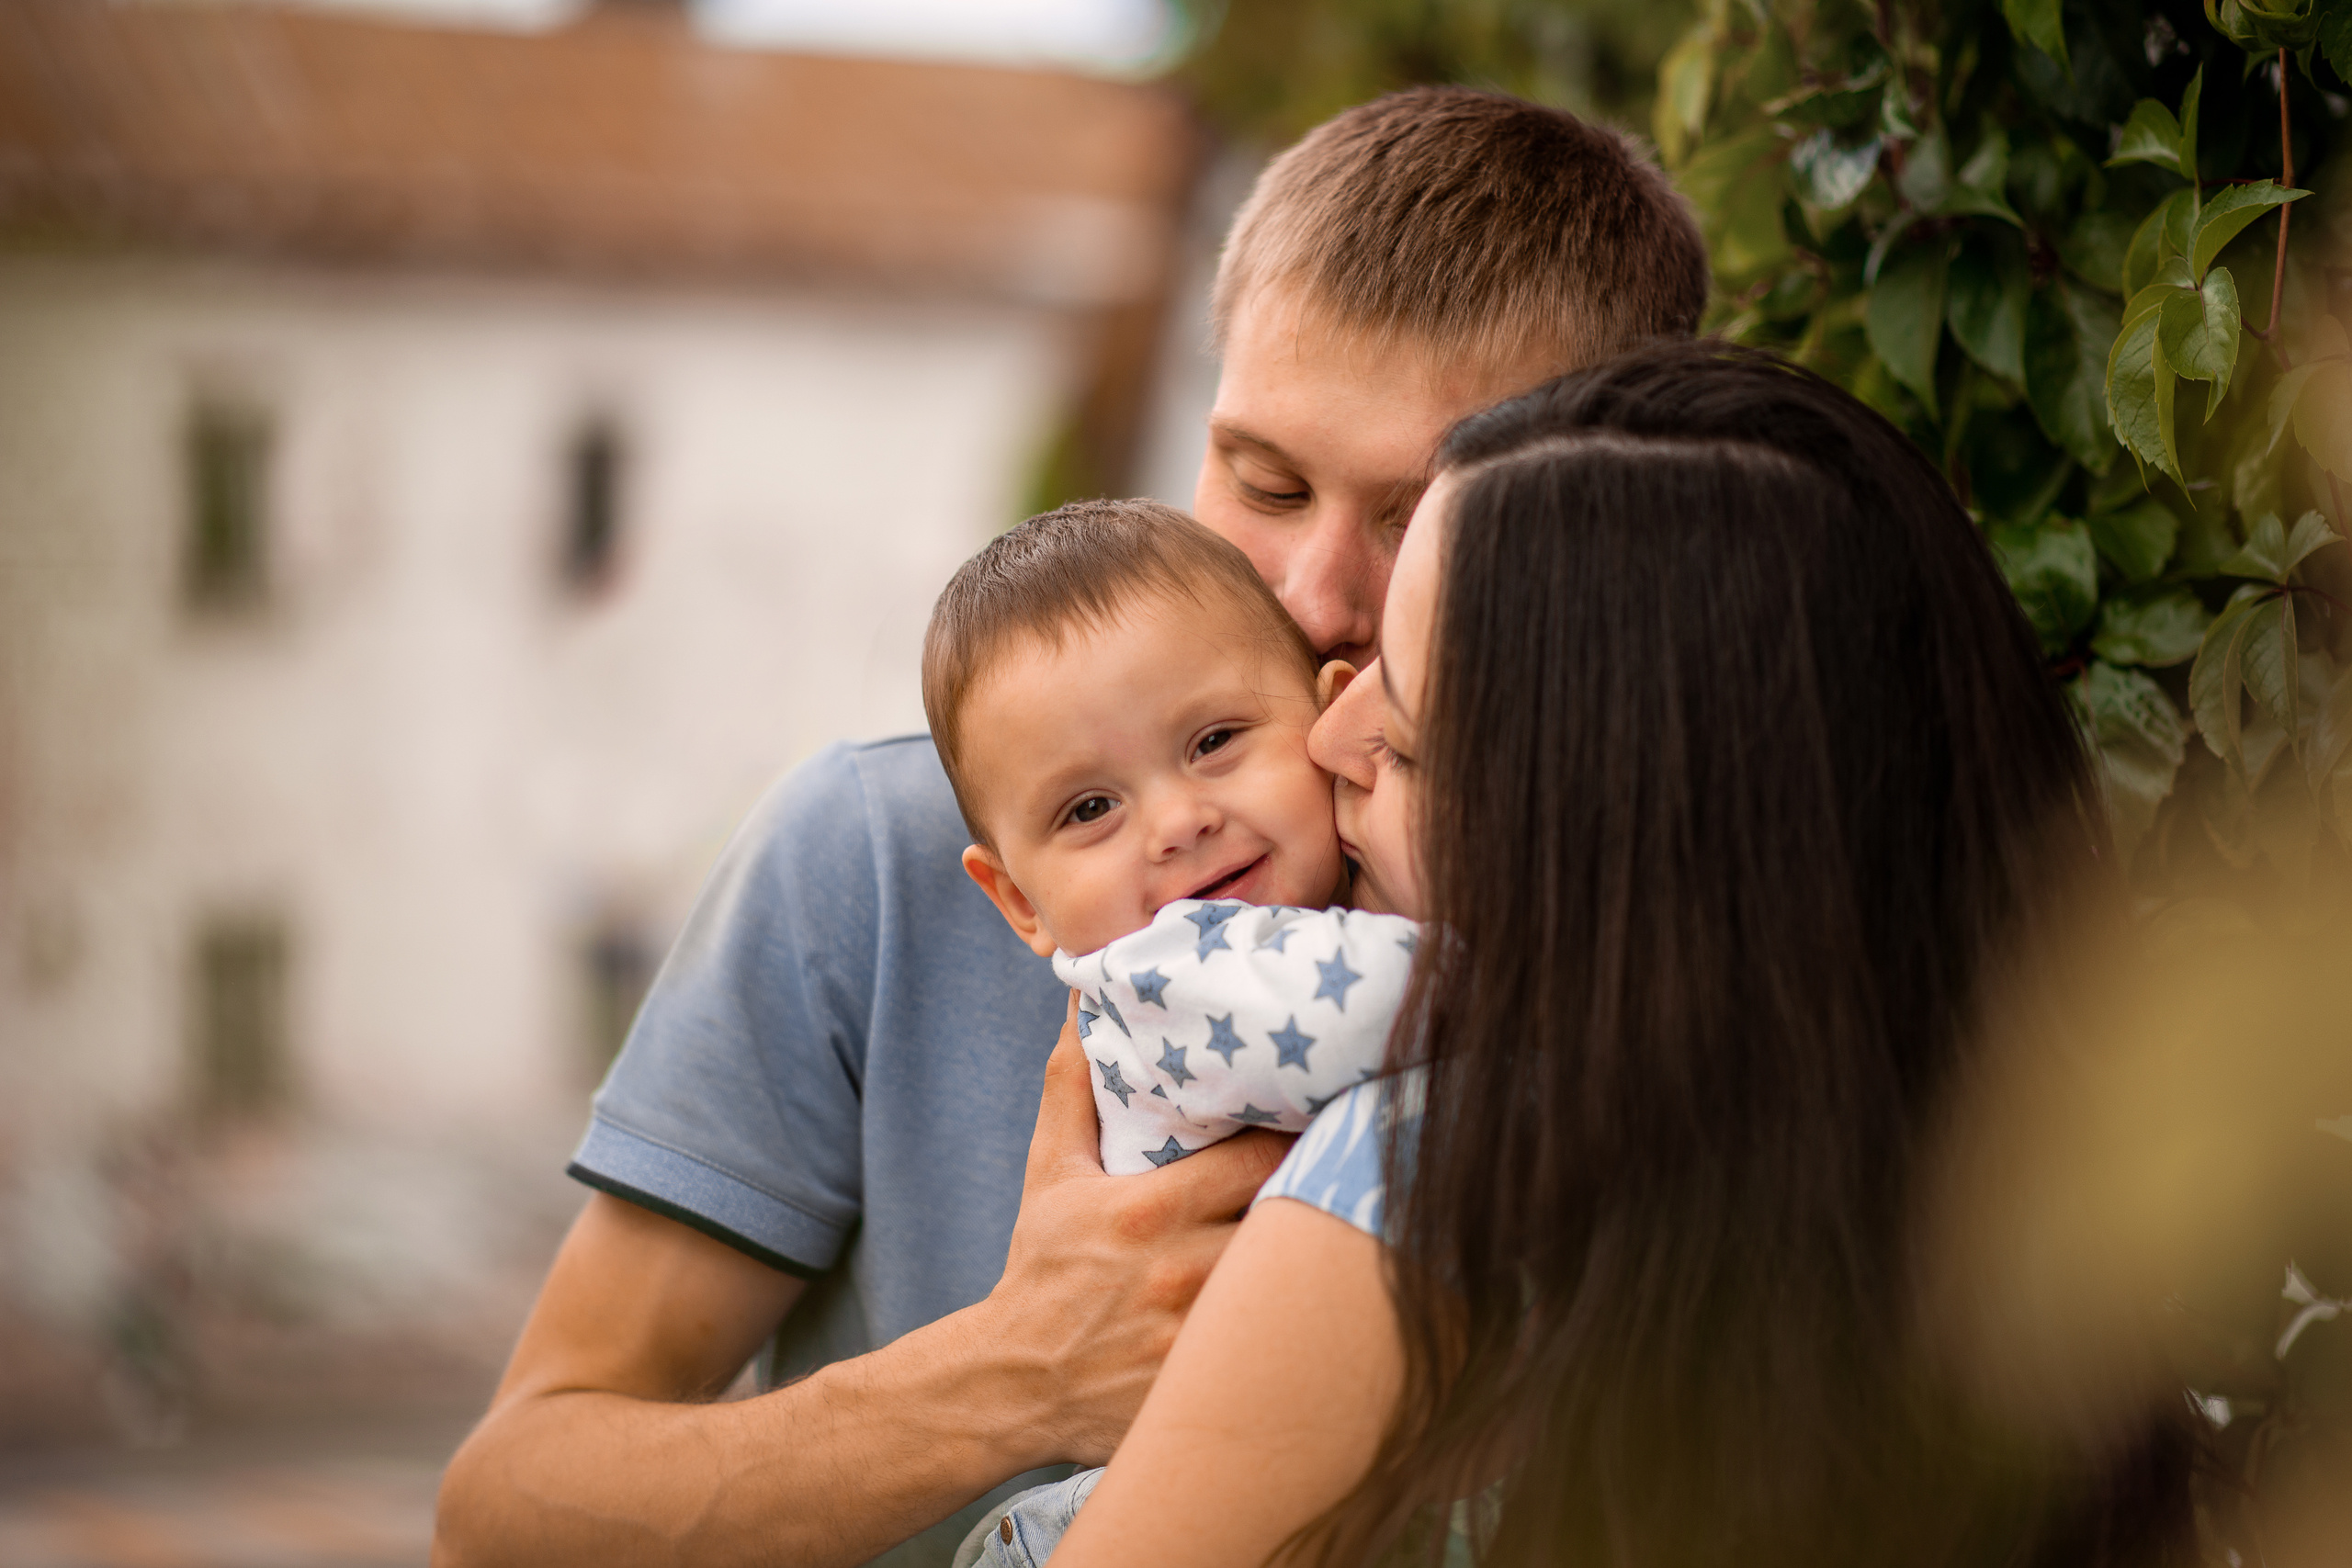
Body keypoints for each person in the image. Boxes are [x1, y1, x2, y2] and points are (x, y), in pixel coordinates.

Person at [432, 87, 1706, 1568]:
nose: (1311, 595)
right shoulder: (882, 855)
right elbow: (502, 1514)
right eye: (1265, 480)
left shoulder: (1670, 922)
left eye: (1416, 516)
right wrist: (1008, 1376)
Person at [1026, 343, 2194, 1568]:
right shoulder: (2054, 1225)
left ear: (1619, 840)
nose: (1329, 733)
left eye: (1405, 738)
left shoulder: (1413, 1181)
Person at [921, 498, 1416, 1174]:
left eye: (1213, 742)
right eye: (1091, 809)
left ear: (1333, 715)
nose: (1179, 824)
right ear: (1021, 901)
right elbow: (1373, 1012)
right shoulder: (1157, 977)